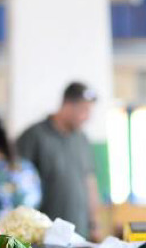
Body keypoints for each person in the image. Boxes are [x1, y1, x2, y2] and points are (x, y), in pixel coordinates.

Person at [15, 82, 102, 239]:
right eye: (83, 110)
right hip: (44, 236)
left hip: (79, 235)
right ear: (67, 105)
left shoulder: (82, 139)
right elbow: (17, 184)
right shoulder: (33, 136)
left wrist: (94, 223)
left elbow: (89, 181)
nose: (87, 117)